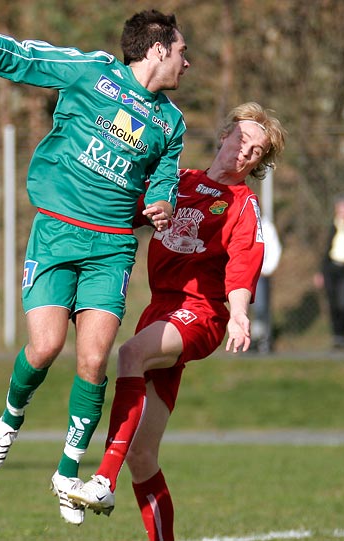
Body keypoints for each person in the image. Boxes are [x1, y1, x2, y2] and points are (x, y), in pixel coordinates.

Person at [0, 1, 189, 525]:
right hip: (57, 231)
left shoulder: (170, 121)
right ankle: (10, 418)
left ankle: (67, 473)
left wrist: (165, 202)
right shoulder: (92, 71)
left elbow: (166, 178)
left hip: (112, 248)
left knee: (93, 361)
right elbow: (20, 58)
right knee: (45, 346)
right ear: (157, 49)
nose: (186, 63)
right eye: (181, 52)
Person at [65, 103, 286, 538]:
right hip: (160, 311)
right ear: (224, 137)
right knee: (143, 455)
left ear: (259, 163)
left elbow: (244, 263)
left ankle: (102, 480)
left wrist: (239, 315)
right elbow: (126, 206)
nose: (245, 153)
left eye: (256, 151)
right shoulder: (179, 181)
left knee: (129, 354)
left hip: (202, 313)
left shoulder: (244, 205)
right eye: (242, 141)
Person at [313, 195, 344, 349]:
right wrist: (320, 272)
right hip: (331, 269)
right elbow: (323, 251)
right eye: (341, 210)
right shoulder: (330, 226)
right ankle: (337, 335)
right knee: (333, 303)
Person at [250, 215, 282, 353]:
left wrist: (266, 269)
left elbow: (274, 249)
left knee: (261, 309)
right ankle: (250, 339)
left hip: (260, 275)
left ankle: (264, 339)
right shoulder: (241, 221)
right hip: (243, 275)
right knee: (244, 310)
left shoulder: (266, 226)